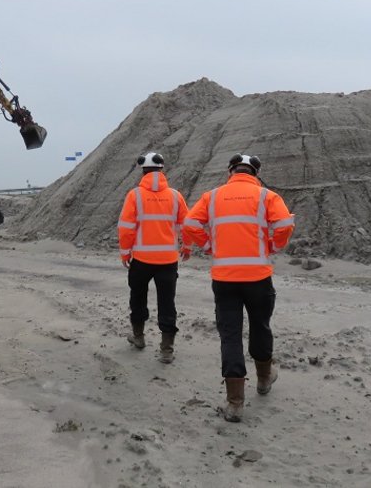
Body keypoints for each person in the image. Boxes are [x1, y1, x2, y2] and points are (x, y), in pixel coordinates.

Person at [182, 153, 294, 422]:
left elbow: (189, 223)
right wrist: (273, 247)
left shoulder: (212, 197)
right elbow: (284, 224)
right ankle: (264, 379)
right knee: (260, 326)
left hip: (224, 278)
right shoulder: (268, 196)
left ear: (230, 171)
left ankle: (235, 403)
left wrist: (209, 246)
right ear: (254, 173)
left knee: (230, 335)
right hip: (258, 276)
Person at [117, 152, 190, 364]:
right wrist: (187, 247)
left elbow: (126, 228)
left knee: (138, 299)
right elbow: (186, 224)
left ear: (143, 171)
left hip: (141, 260)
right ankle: (167, 349)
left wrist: (125, 252)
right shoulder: (176, 196)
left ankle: (138, 338)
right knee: (167, 303)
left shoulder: (135, 195)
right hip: (168, 260)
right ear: (162, 170)